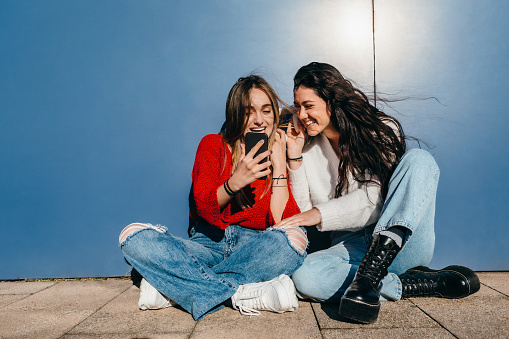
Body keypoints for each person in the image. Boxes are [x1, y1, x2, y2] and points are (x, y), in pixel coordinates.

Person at [275, 62, 480, 324]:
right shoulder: (306, 147)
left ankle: (371, 275)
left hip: (399, 242)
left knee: (419, 160)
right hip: (351, 247)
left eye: (309, 105)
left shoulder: (379, 129)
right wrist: (294, 156)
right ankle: (408, 285)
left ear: (332, 101)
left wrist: (318, 213)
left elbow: (373, 199)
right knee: (305, 278)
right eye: (298, 106)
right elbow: (302, 213)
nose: (302, 114)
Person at [119, 75, 307, 320]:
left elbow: (287, 221)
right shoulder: (213, 145)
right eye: (249, 112)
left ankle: (179, 290)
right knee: (133, 236)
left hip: (255, 249)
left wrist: (281, 165)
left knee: (294, 239)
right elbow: (202, 204)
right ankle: (240, 293)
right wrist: (234, 183)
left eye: (266, 111)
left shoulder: (278, 152)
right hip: (207, 244)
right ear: (235, 115)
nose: (259, 120)